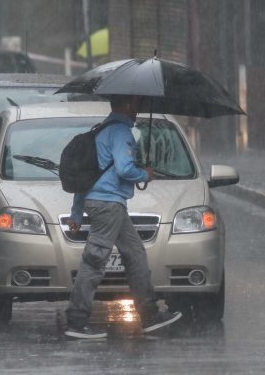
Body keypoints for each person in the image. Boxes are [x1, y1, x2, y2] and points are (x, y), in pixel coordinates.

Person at [64, 94, 182, 339]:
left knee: (136, 255)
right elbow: (124, 169)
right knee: (94, 261)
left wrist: (77, 211)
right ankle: (76, 322)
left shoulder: (99, 131)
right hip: (109, 206)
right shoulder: (119, 132)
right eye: (136, 104)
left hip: (107, 203)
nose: (138, 109)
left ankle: (149, 316)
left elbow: (85, 179)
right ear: (127, 105)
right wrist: (145, 174)